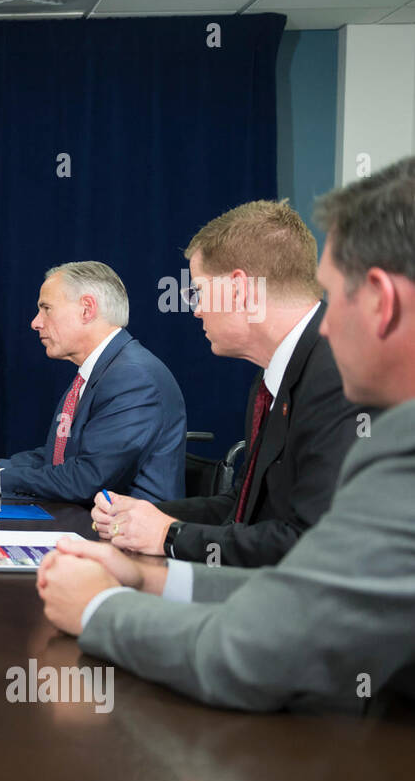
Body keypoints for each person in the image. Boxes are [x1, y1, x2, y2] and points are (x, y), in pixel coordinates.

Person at [37, 156, 415, 712]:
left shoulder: (381, 420)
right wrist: (150, 580)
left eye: (336, 300)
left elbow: (265, 646)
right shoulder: (283, 383)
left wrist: (99, 610)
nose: (327, 325)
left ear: (382, 300)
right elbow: (311, 592)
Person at [91, 201, 361, 567]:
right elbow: (243, 508)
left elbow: (312, 544)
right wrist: (145, 513)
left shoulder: (344, 376)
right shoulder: (274, 376)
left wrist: (168, 536)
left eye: (199, 291)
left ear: (238, 289)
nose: (197, 309)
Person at [0, 262, 186, 506]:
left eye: (46, 309)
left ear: (87, 310)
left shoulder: (133, 377)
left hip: (126, 537)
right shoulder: (103, 370)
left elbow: (88, 479)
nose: (35, 322)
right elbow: (59, 458)